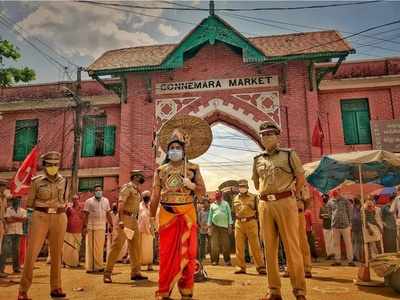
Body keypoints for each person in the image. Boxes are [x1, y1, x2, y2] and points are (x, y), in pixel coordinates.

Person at [253, 121, 306, 300]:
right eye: (263, 135)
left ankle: (299, 290)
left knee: (292, 247)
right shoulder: (257, 159)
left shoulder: (289, 155)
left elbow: (300, 178)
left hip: (285, 202)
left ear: (277, 136)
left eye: (269, 134)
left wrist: (291, 195)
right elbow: (255, 182)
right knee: (269, 249)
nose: (265, 137)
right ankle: (274, 290)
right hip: (265, 205)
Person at [150, 130, 206, 300]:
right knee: (166, 255)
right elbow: (155, 196)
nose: (174, 150)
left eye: (177, 147)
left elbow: (203, 193)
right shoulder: (160, 170)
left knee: (189, 255)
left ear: (183, 150)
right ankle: (164, 292)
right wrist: (152, 217)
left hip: (187, 214)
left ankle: (186, 292)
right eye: (171, 148)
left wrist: (192, 186)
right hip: (167, 215)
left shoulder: (193, 168)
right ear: (168, 151)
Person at [18, 151, 68, 300]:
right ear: (44, 165)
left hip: (59, 216)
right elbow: (30, 203)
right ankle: (22, 290)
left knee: (56, 254)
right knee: (32, 254)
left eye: (55, 164)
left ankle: (56, 288)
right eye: (50, 164)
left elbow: (64, 200)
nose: (53, 167)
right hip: (40, 216)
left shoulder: (64, 181)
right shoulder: (37, 181)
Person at [104, 170, 148, 283]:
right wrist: (121, 220)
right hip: (125, 218)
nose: (142, 178)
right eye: (140, 176)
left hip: (133, 220)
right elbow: (121, 204)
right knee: (117, 246)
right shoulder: (127, 188)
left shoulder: (137, 190)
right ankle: (107, 273)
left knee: (135, 246)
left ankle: (135, 272)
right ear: (135, 177)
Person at [232, 179, 265, 275]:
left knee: (255, 246)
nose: (242, 188)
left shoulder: (254, 197)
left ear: (247, 187)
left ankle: (260, 267)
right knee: (239, 247)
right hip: (239, 223)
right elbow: (234, 212)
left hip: (251, 222)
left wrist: (260, 224)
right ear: (238, 187)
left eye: (244, 186)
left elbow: (259, 212)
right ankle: (240, 267)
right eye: (241, 186)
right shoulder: (235, 198)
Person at [82, 185, 112, 273]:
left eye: (100, 190)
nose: (98, 192)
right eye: (96, 190)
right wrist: (84, 226)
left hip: (102, 227)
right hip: (91, 227)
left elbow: (108, 213)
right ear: (93, 192)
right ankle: (90, 267)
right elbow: (86, 215)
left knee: (99, 247)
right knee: (90, 248)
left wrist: (111, 225)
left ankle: (99, 266)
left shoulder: (106, 200)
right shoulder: (89, 201)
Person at [0, 197, 26, 274]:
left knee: (16, 251)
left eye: (18, 201)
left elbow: (24, 220)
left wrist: (13, 218)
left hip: (18, 232)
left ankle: (16, 268)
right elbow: (8, 220)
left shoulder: (23, 210)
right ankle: (1, 269)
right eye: (15, 200)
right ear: (12, 201)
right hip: (9, 231)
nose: (17, 202)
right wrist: (18, 219)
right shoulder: (8, 209)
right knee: (5, 250)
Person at [207, 190, 233, 266]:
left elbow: (229, 215)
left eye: (218, 196)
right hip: (214, 226)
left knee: (226, 244)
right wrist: (209, 227)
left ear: (221, 196)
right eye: (216, 196)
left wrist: (230, 225)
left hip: (224, 226)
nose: (217, 197)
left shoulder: (226, 204)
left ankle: (227, 260)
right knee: (214, 244)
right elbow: (210, 216)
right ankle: (215, 261)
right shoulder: (212, 205)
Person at [329, 192, 355, 266]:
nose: (334, 192)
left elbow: (350, 211)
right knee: (336, 244)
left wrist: (350, 222)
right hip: (335, 225)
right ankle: (337, 260)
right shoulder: (330, 201)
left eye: (336, 190)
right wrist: (333, 219)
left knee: (348, 243)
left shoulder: (345, 201)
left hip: (345, 225)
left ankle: (350, 260)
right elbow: (329, 212)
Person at [63, 195, 84, 268]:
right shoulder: (68, 209)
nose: (75, 200)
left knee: (76, 248)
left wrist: (84, 228)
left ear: (79, 199)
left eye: (76, 199)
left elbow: (83, 218)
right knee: (69, 247)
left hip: (78, 231)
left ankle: (75, 262)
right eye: (74, 199)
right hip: (69, 231)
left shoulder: (81, 208)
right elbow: (64, 218)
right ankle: (67, 263)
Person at [139, 190, 154, 271]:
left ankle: (149, 264)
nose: (146, 197)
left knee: (149, 248)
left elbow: (154, 216)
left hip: (149, 229)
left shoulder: (152, 205)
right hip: (141, 228)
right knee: (140, 248)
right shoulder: (139, 205)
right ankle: (140, 264)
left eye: (147, 196)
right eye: (145, 196)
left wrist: (153, 227)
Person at [319, 194, 334, 259]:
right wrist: (323, 216)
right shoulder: (321, 207)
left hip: (332, 225)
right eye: (323, 198)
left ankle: (334, 254)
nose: (324, 199)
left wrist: (329, 216)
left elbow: (334, 215)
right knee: (327, 241)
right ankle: (329, 254)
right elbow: (319, 216)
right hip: (325, 226)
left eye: (325, 198)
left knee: (333, 241)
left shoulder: (332, 206)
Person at [0, 178, 9, 278]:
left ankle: (1, 270)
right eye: (3, 186)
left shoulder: (4, 198)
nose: (4, 188)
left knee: (2, 249)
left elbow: (4, 212)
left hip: (1, 223)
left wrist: (4, 224)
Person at [198, 198, 210, 262]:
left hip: (209, 229)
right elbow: (199, 220)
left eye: (206, 202)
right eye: (203, 203)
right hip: (202, 229)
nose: (204, 204)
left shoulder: (210, 211)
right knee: (202, 243)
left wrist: (208, 226)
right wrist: (202, 226)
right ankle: (202, 256)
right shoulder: (201, 211)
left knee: (211, 243)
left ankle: (212, 257)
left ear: (208, 203)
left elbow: (211, 219)